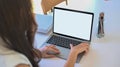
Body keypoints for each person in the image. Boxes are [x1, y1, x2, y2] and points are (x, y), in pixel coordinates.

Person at [0, 0, 89, 67]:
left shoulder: (4, 40)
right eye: (29, 10)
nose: (33, 15)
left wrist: (38, 53)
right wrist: (73, 55)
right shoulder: (17, 64)